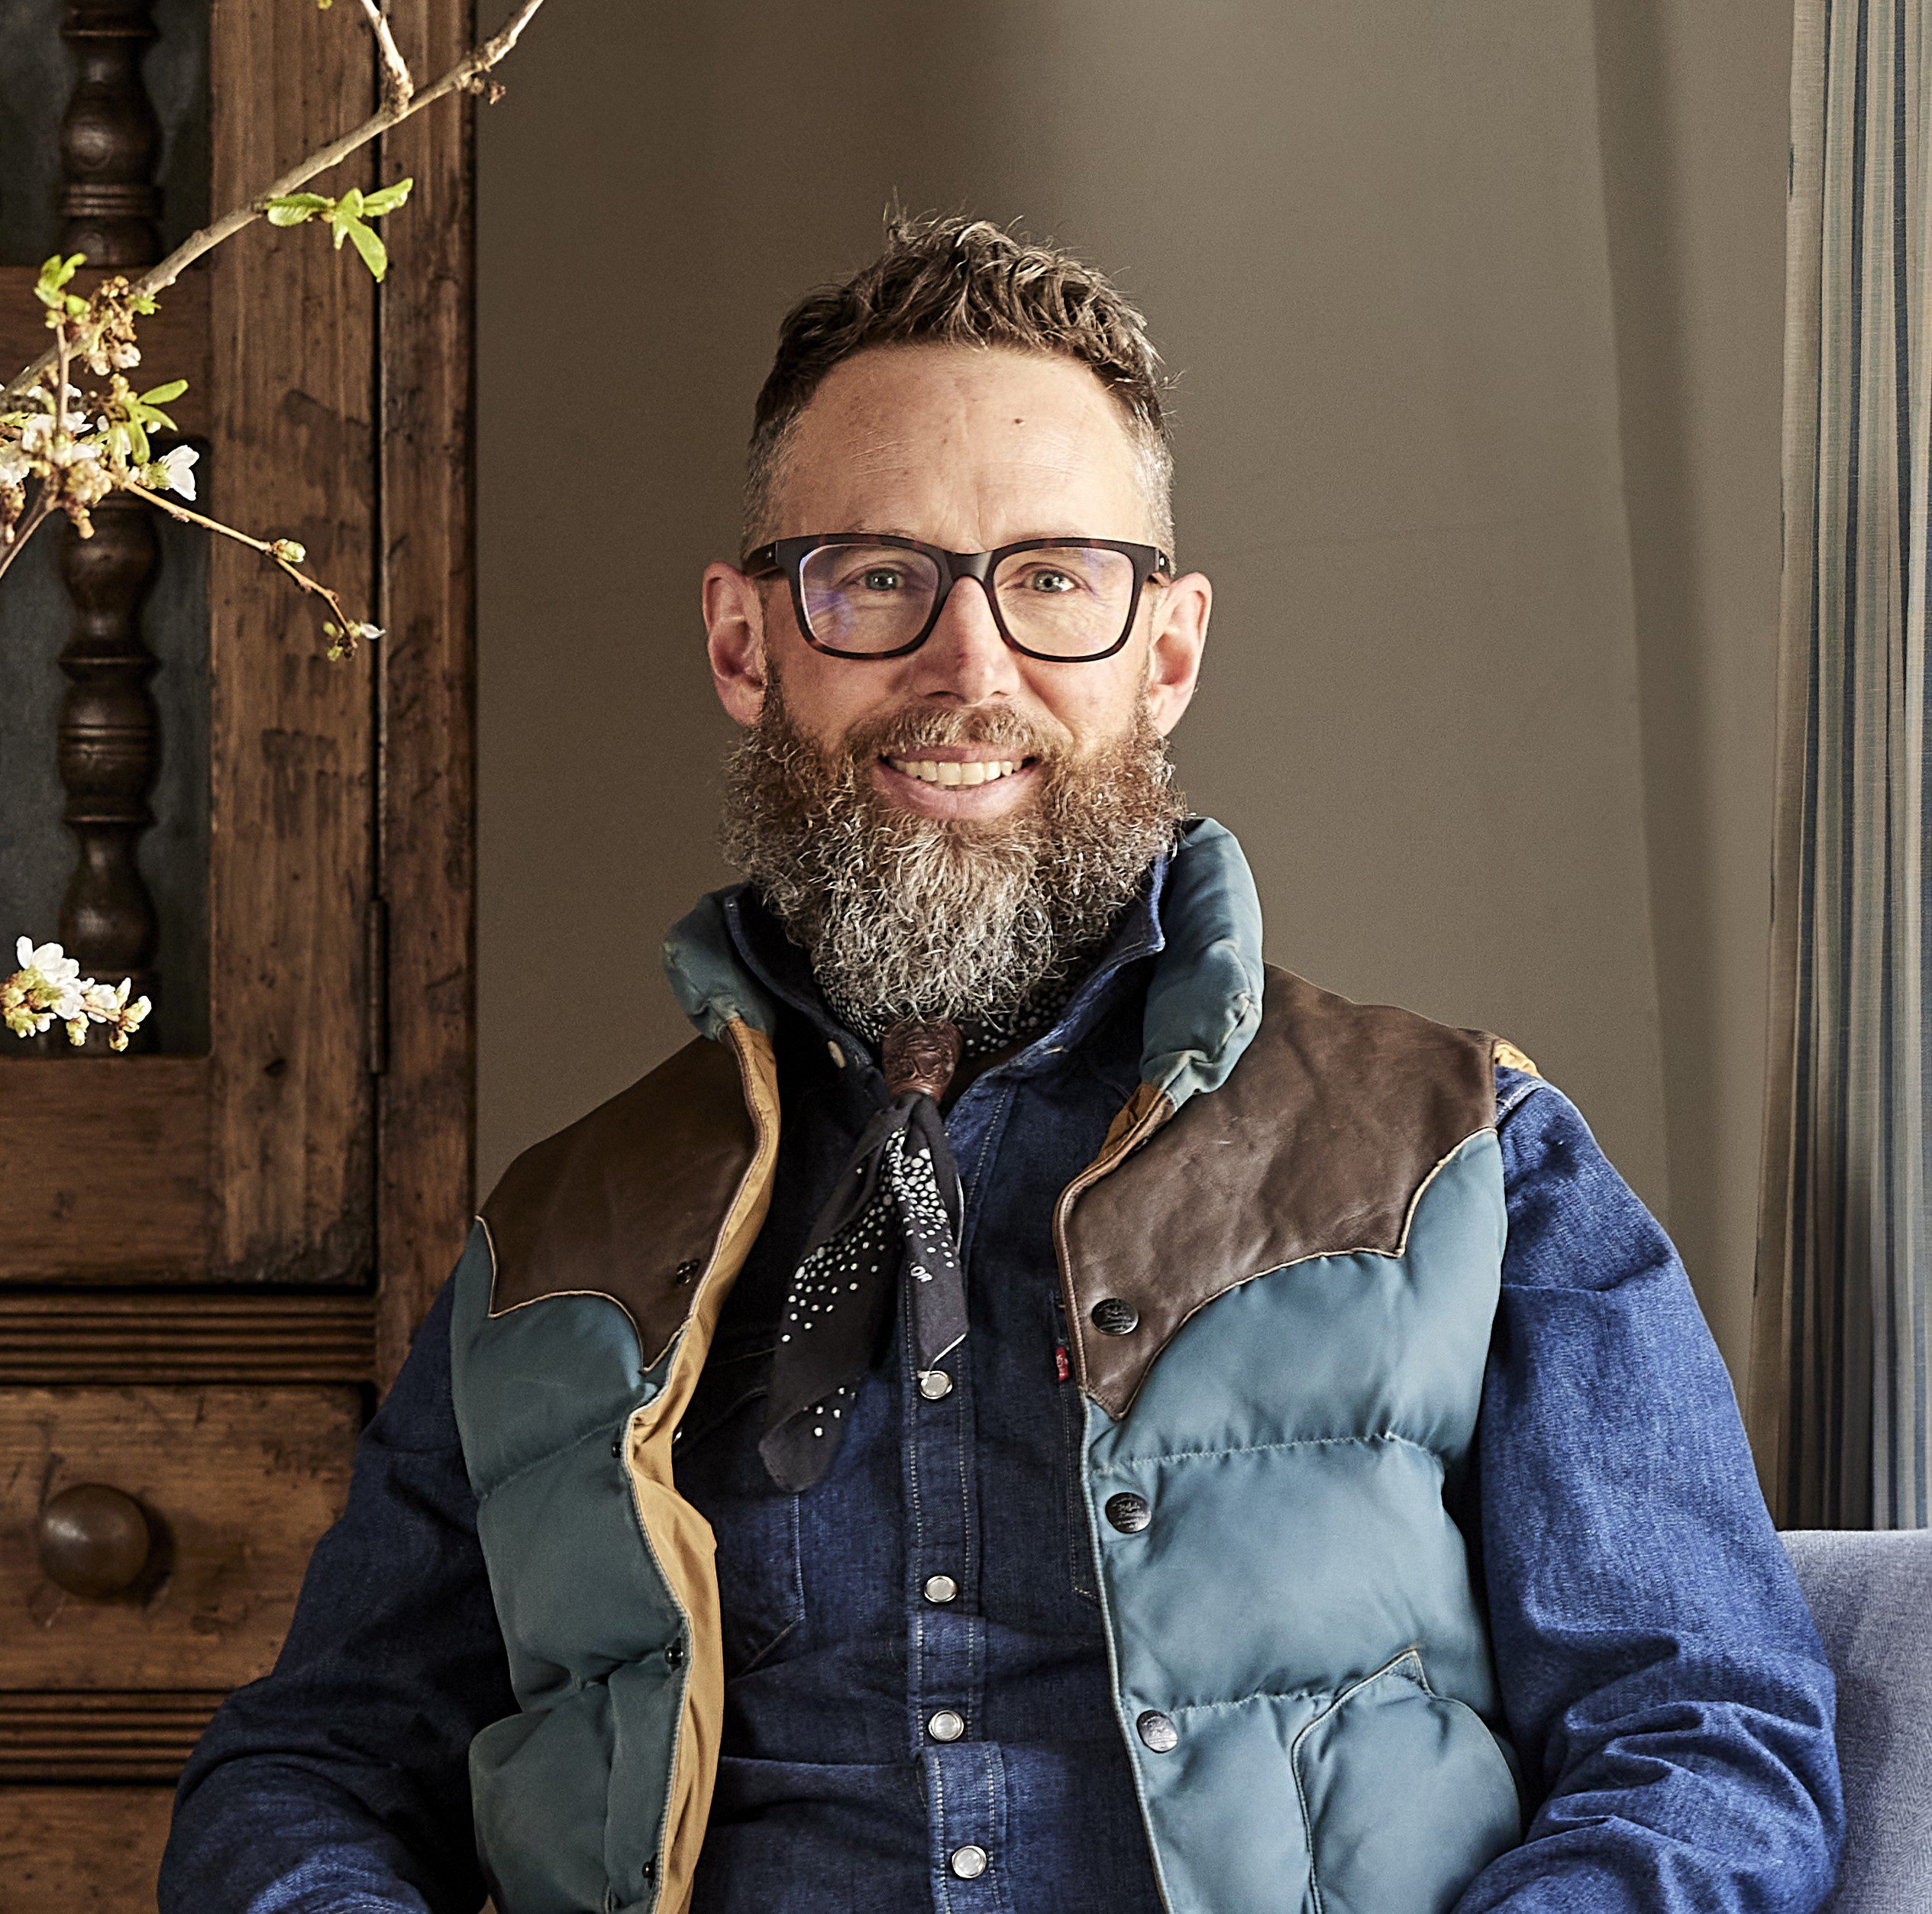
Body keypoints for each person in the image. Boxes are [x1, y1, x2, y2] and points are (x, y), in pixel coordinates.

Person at [158, 212, 1843, 1914]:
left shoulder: (1471, 1154)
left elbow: (1704, 1740)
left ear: (1165, 651)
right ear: (745, 643)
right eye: (876, 577)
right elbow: (310, 1767)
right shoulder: (552, 1238)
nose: (968, 668)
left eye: (1052, 580)